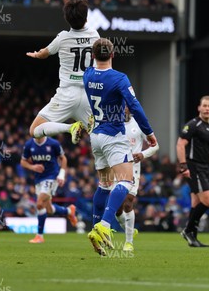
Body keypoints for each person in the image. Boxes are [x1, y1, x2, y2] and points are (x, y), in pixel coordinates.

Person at [83, 38, 157, 256]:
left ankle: (96, 229)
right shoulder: (119, 78)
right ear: (113, 54)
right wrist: (149, 132)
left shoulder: (87, 75)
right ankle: (104, 225)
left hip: (95, 136)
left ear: (93, 55)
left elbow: (90, 66)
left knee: (105, 185)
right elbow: (134, 105)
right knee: (126, 180)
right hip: (113, 135)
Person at [26, 0, 100, 143]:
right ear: (86, 18)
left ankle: (70, 128)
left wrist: (36, 54)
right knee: (101, 140)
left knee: (35, 130)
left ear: (66, 18)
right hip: (89, 95)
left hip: (66, 94)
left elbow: (44, 53)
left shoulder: (63, 38)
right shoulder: (95, 35)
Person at [177, 96, 209, 247]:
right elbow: (180, 144)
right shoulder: (193, 124)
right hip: (193, 166)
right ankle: (187, 230)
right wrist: (183, 166)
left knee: (196, 202)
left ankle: (193, 237)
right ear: (199, 108)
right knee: (208, 201)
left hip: (205, 168)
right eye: (204, 105)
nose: (206, 108)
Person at [115, 106, 160, 252]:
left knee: (128, 202)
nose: (123, 109)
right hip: (115, 166)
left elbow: (155, 146)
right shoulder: (113, 123)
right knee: (117, 208)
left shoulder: (140, 124)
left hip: (132, 168)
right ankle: (129, 228)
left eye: (125, 107)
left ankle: (129, 242)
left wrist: (143, 155)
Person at [21, 135, 78, 243]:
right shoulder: (29, 144)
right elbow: (23, 161)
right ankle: (69, 211)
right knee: (48, 209)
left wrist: (61, 174)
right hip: (39, 179)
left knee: (39, 203)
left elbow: (63, 158)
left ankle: (39, 236)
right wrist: (32, 167)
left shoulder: (53, 143)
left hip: (52, 177)